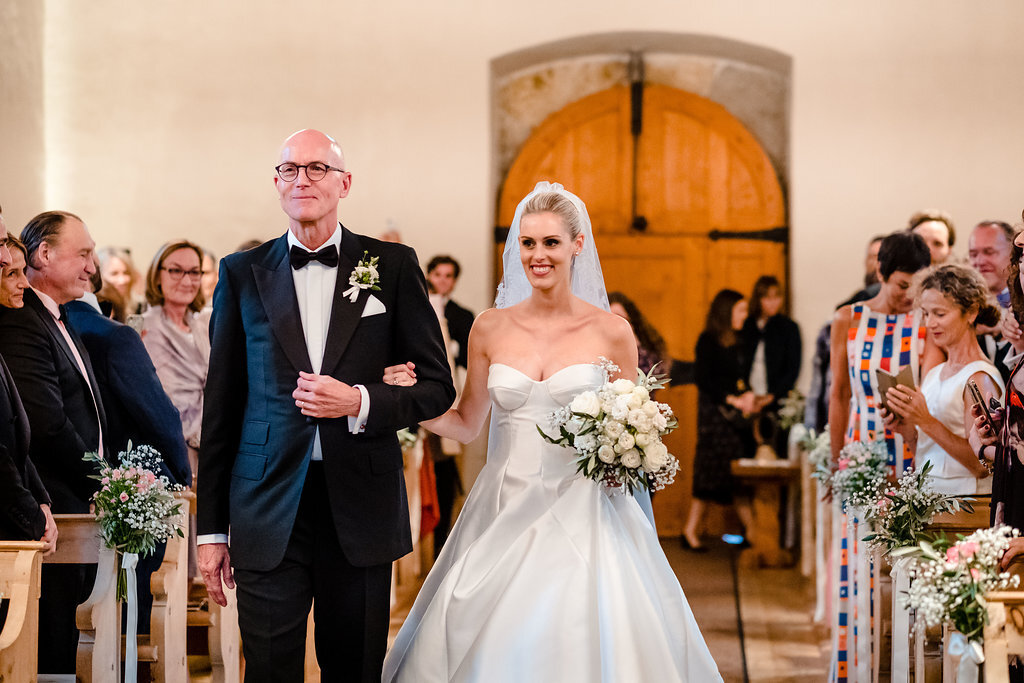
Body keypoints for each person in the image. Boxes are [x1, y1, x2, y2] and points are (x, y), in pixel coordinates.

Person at [381, 182, 721, 682]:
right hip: (505, 502)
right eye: (528, 242)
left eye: (551, 243)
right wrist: (407, 401)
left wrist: (622, 454)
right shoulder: (489, 327)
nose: (538, 256)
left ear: (577, 245)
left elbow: (635, 424)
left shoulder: (611, 331)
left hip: (584, 507)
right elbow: (468, 424)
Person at [196, 129, 455, 682]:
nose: (302, 180)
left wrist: (359, 400)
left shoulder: (392, 265)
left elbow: (436, 386)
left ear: (345, 183)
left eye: (317, 168)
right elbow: (222, 406)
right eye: (290, 169)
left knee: (355, 666)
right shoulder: (241, 274)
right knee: (268, 669)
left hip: (359, 499)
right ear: (276, 183)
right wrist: (212, 531)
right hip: (265, 504)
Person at [0, 210, 108, 674]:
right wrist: (105, 480)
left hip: (59, 501)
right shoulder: (22, 321)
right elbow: (44, 424)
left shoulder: (59, 319)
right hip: (50, 503)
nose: (92, 266)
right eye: (83, 253)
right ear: (45, 253)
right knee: (52, 641)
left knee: (68, 635)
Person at [827, 230, 932, 682]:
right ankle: (854, 670)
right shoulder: (847, 320)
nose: (910, 296)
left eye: (919, 285)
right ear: (881, 274)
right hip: (863, 450)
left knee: (907, 569)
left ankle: (901, 670)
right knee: (858, 569)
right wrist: (837, 463)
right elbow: (839, 395)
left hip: (911, 451)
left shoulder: (926, 322)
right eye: (903, 285)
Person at [65, 264, 192, 631]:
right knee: (134, 606)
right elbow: (158, 413)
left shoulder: (42, 327)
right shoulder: (114, 335)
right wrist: (181, 473)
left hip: (70, 490)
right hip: (130, 485)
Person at [883, 264, 1003, 494]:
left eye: (940, 314)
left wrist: (926, 420)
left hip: (966, 507)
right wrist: (908, 429)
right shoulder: (934, 374)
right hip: (930, 501)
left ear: (971, 312)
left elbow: (982, 465)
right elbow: (931, 455)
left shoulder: (979, 377)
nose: (930, 323)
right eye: (926, 314)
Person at [682, 289, 756, 552]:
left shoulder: (741, 339)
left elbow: (741, 377)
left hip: (737, 419)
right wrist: (732, 399)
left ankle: (753, 532)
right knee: (710, 474)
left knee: (738, 475)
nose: (745, 316)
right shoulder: (708, 340)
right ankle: (690, 530)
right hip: (715, 418)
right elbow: (705, 380)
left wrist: (747, 395)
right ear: (726, 312)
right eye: (740, 310)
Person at [424, 254, 474, 556]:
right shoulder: (416, 308)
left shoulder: (462, 316)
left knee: (444, 472)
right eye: (438, 274)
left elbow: (470, 362)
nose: (443, 280)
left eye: (448, 276)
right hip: (418, 401)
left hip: (448, 399)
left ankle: (441, 544)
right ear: (429, 275)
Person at [609, 290, 669, 375]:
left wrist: (635, 344)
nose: (615, 324)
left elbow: (653, 374)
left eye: (620, 318)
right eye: (610, 319)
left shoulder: (643, 345)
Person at [97, 245, 143, 317]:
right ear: (99, 275)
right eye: (114, 274)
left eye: (126, 273)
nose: (122, 280)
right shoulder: (97, 309)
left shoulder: (138, 306)